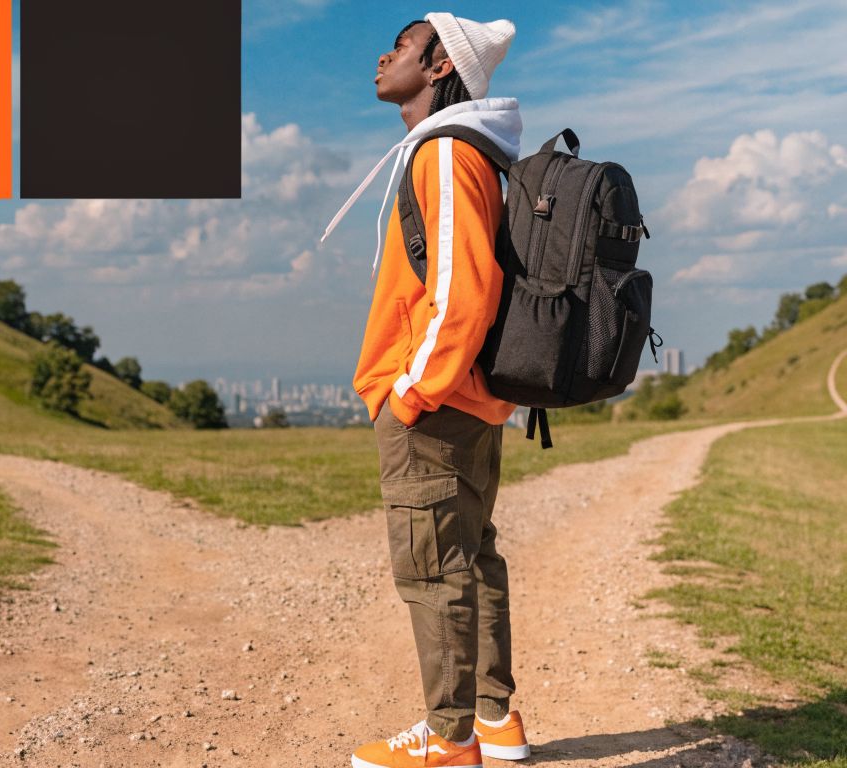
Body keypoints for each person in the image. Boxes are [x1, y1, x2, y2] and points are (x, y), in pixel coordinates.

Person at [319, 12, 530, 768]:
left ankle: (450, 744)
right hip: (472, 399)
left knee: (434, 573)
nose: (384, 55)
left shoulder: (443, 154)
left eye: (403, 46)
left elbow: (460, 292)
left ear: (440, 67)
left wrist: (409, 391)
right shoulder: (471, 153)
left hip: (434, 405)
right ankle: (494, 722)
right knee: (473, 558)